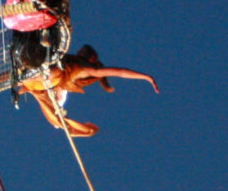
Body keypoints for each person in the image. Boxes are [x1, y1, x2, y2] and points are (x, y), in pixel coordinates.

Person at [20, 44, 159, 135]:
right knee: (57, 115)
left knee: (57, 115)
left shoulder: (85, 68)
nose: (79, 51)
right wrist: (146, 77)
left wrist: (146, 77)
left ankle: (26, 76)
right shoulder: (79, 65)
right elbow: (119, 71)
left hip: (43, 80)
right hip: (44, 79)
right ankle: (26, 75)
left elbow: (119, 71)